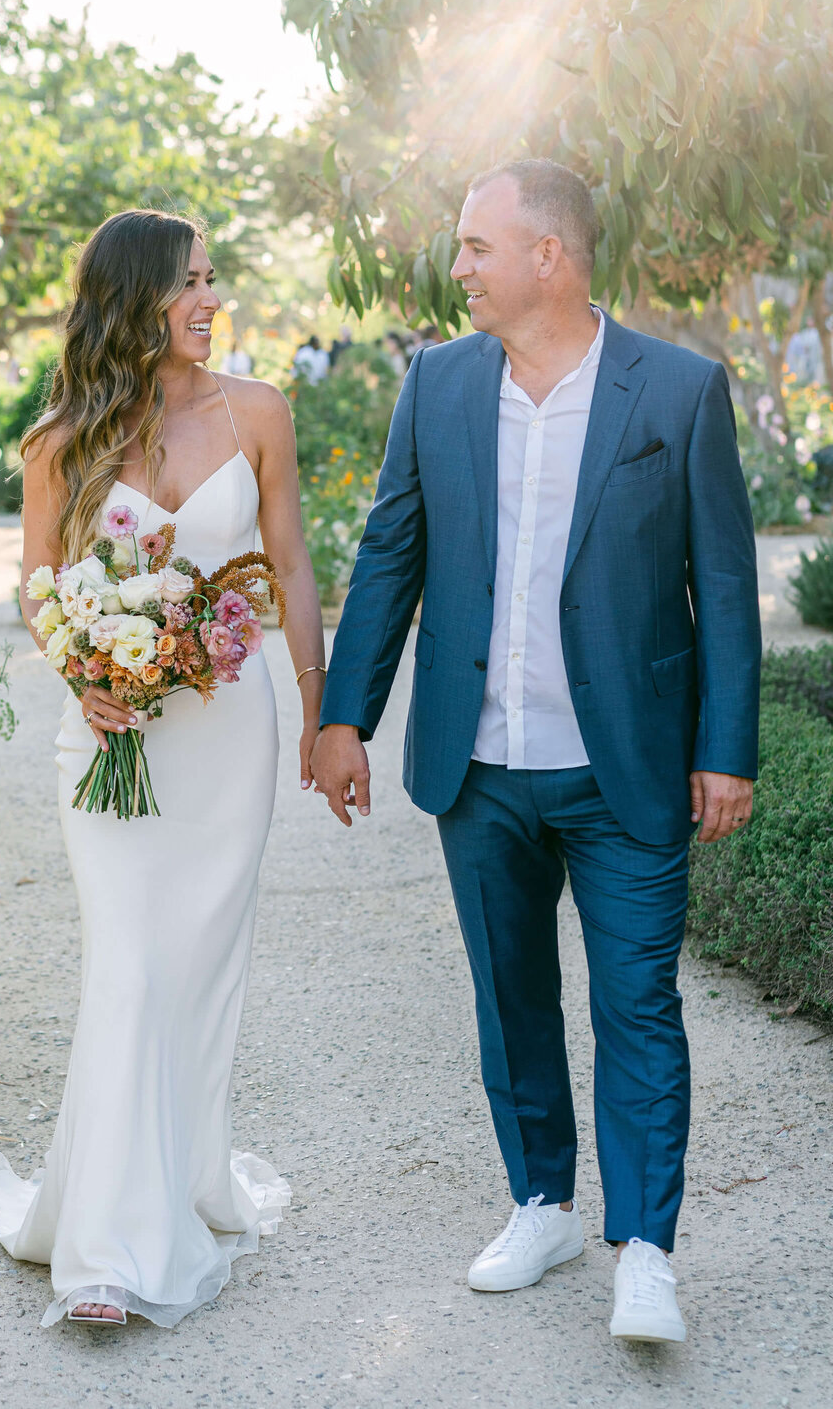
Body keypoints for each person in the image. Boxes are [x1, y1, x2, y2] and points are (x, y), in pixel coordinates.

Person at [311, 159, 760, 1345]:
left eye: (474, 247)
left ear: (545, 256)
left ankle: (646, 1247)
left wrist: (727, 747)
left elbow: (724, 583)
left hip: (630, 768)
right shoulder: (439, 381)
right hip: (482, 762)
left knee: (638, 1006)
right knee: (512, 999)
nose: (456, 267)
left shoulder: (679, 388)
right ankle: (544, 1200)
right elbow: (390, 554)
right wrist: (344, 714)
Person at [0, 208, 326, 1328]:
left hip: (229, 736)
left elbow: (292, 569)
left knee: (193, 971)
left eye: (213, 278)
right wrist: (79, 664)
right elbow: (38, 584)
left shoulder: (259, 411)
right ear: (133, 296)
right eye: (189, 282)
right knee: (127, 963)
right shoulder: (59, 439)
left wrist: (327, 716)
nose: (210, 299)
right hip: (112, 738)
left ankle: (176, 1175)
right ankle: (105, 1255)